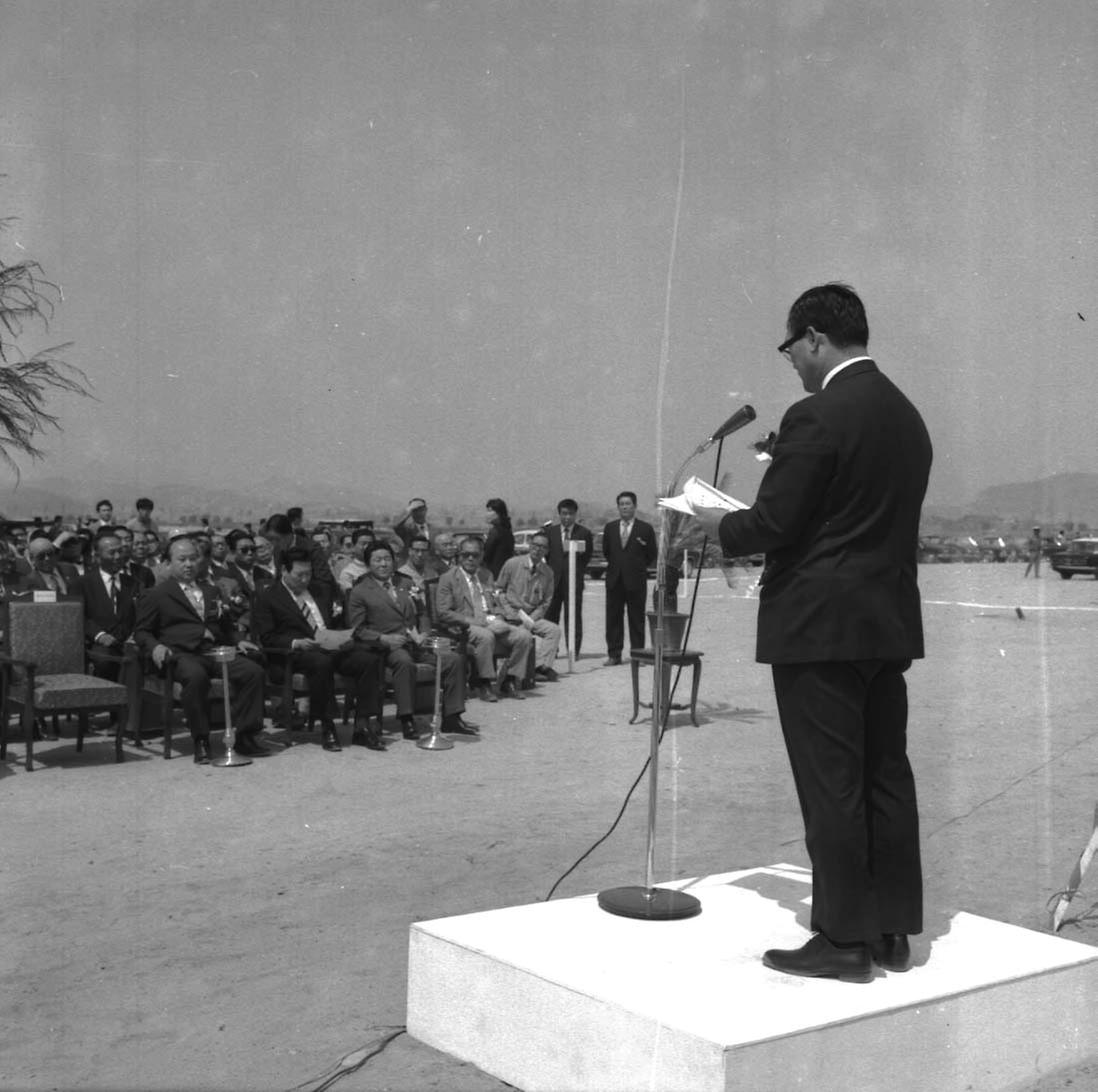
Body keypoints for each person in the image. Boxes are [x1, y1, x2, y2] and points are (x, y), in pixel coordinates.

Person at [693, 283, 931, 983]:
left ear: (817, 338)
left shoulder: (816, 415)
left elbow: (772, 524)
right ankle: (890, 930)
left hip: (818, 628)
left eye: (791, 345)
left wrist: (714, 524)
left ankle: (842, 940)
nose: (791, 360)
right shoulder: (907, 416)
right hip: (884, 627)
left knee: (831, 785)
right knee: (884, 775)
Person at [134, 537, 270, 765]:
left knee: (252, 671)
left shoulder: (211, 590)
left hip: (214, 652)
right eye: (182, 560)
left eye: (193, 559)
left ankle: (246, 735)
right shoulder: (157, 594)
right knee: (196, 678)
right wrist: (155, 645)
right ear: (169, 563)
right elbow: (141, 632)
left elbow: (225, 626)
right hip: (181, 654)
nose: (188, 564)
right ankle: (201, 739)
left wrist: (239, 641)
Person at [252, 547, 386, 753]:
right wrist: (296, 642)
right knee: (321, 663)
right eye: (300, 575)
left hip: (331, 646)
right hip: (297, 654)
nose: (305, 579)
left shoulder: (320, 590)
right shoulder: (269, 597)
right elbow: (267, 636)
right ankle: (327, 725)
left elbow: (338, 621)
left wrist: (344, 636)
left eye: (309, 573)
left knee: (368, 659)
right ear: (285, 571)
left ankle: (361, 724)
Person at [345, 542, 475, 739]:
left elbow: (422, 612)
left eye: (387, 559)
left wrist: (423, 632)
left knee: (453, 659)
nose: (383, 564)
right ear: (368, 564)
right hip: (388, 647)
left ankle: (452, 717)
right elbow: (357, 629)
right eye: (377, 560)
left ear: (394, 561)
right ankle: (407, 718)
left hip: (417, 642)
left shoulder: (405, 583)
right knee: (404, 663)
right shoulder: (360, 590)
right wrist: (383, 638)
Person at [435, 535, 533, 701]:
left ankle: (509, 680)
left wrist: (500, 618)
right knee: (485, 636)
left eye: (475, 555)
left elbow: (496, 603)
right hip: (467, 624)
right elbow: (443, 611)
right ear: (459, 556)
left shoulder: (486, 575)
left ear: (481, 556)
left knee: (524, 636)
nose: (470, 559)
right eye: (466, 555)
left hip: (491, 621)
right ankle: (484, 683)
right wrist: (475, 622)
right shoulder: (449, 578)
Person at [495, 531, 561, 682]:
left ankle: (540, 667)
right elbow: (498, 591)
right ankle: (515, 672)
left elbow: (545, 602)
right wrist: (509, 612)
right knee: (518, 634)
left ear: (547, 551)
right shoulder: (512, 564)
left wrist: (530, 620)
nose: (538, 549)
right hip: (509, 614)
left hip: (531, 617)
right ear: (530, 546)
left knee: (553, 630)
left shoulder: (548, 572)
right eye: (536, 545)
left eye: (543, 547)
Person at [72, 532, 139, 681]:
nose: (117, 557)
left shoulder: (133, 583)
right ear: (97, 555)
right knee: (105, 661)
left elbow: (139, 613)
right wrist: (100, 635)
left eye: (120, 551)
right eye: (112, 552)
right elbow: (79, 616)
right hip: (99, 643)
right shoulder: (82, 583)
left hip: (128, 642)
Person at [601, 491, 657, 665]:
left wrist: (635, 567)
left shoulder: (645, 529)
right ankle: (614, 655)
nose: (625, 507)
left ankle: (638, 655)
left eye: (628, 504)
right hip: (614, 580)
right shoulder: (610, 528)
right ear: (618, 507)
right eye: (622, 504)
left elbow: (651, 554)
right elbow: (607, 552)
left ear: (635, 506)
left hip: (636, 581)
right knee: (613, 619)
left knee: (636, 619)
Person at [543, 498, 594, 657]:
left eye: (570, 514)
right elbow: (548, 556)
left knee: (573, 617)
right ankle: (551, 649)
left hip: (574, 582)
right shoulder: (550, 532)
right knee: (551, 616)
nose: (567, 517)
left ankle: (573, 650)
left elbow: (586, 556)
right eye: (564, 514)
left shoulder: (584, 533)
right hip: (553, 583)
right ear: (559, 514)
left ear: (575, 514)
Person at [483, 498, 515, 578]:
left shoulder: (496, 532)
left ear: (499, 513)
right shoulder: (506, 530)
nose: (487, 514)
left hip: (493, 574)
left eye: (490, 511)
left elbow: (486, 554)